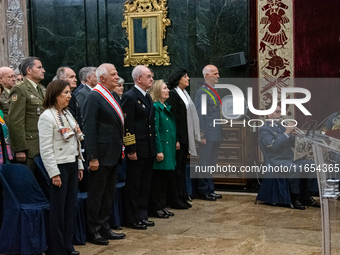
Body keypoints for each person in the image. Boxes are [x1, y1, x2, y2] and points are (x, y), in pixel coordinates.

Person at [38, 80, 84, 255]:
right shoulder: (47, 116)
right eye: (65, 93)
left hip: (71, 164)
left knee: (70, 207)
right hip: (59, 167)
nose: (69, 96)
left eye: (69, 92)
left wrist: (79, 164)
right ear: (55, 95)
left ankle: (68, 243)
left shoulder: (67, 114)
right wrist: (54, 173)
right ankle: (57, 248)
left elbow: (75, 142)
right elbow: (46, 148)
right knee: (58, 209)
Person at [83, 63, 126, 245]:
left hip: (113, 154)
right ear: (102, 79)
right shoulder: (94, 97)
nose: (117, 77)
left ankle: (105, 226)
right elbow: (89, 129)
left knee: (108, 194)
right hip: (100, 156)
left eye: (116, 74)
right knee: (97, 195)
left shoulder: (112, 95)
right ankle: (94, 230)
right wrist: (92, 156)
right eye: (113, 74)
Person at [259, 105, 319, 210]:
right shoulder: (264, 129)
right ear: (269, 114)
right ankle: (295, 198)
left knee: (311, 165)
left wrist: (295, 136)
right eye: (277, 112)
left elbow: (293, 145)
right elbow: (273, 146)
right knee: (294, 168)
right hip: (276, 161)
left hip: (290, 159)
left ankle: (307, 195)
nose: (279, 115)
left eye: (280, 112)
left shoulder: (282, 128)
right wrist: (287, 133)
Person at [121, 65, 156, 230]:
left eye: (151, 76)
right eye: (148, 76)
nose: (151, 79)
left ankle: (142, 215)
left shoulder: (147, 97)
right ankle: (132, 217)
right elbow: (128, 126)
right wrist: (131, 149)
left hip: (148, 147)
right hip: (137, 148)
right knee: (134, 185)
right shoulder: (130, 96)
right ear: (138, 79)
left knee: (145, 184)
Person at [166, 68, 201, 209]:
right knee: (177, 170)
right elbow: (173, 119)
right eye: (185, 77)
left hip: (186, 136)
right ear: (178, 78)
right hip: (179, 138)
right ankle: (175, 199)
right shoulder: (173, 94)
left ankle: (182, 196)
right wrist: (176, 140)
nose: (188, 79)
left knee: (181, 170)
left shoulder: (185, 94)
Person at [8, 57, 45, 173]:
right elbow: (15, 121)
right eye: (39, 67)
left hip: (43, 145)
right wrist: (20, 149)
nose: (43, 70)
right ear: (29, 70)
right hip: (29, 148)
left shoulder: (42, 89)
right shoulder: (20, 89)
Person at [194, 65, 222, 201]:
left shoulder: (212, 91)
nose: (218, 76)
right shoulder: (203, 92)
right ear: (207, 76)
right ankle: (203, 190)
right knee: (204, 163)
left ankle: (210, 189)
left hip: (215, 133)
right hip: (208, 135)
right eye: (215, 74)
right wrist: (202, 134)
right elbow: (200, 116)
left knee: (211, 163)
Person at [148, 80, 175, 218]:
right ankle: (156, 207)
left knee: (165, 180)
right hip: (162, 148)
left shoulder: (165, 106)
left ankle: (162, 205)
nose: (168, 90)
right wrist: (159, 150)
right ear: (158, 91)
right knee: (158, 181)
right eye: (165, 88)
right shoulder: (156, 107)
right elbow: (156, 130)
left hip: (169, 147)